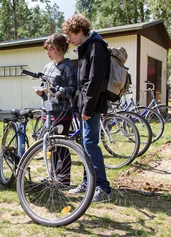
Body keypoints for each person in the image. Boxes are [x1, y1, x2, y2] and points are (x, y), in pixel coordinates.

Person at [62, 14, 112, 202]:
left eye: (70, 35)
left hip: (92, 107)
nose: (69, 40)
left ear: (80, 31)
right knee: (85, 145)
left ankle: (103, 188)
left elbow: (95, 81)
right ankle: (88, 182)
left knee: (90, 144)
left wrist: (87, 109)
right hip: (85, 106)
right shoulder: (86, 48)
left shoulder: (95, 47)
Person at [36, 33, 77, 186]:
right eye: (47, 49)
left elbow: (72, 90)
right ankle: (53, 176)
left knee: (61, 147)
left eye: (51, 49)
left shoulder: (68, 67)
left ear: (60, 48)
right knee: (51, 146)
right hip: (47, 112)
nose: (48, 52)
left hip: (62, 113)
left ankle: (64, 179)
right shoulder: (47, 67)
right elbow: (45, 86)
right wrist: (41, 91)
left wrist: (56, 90)